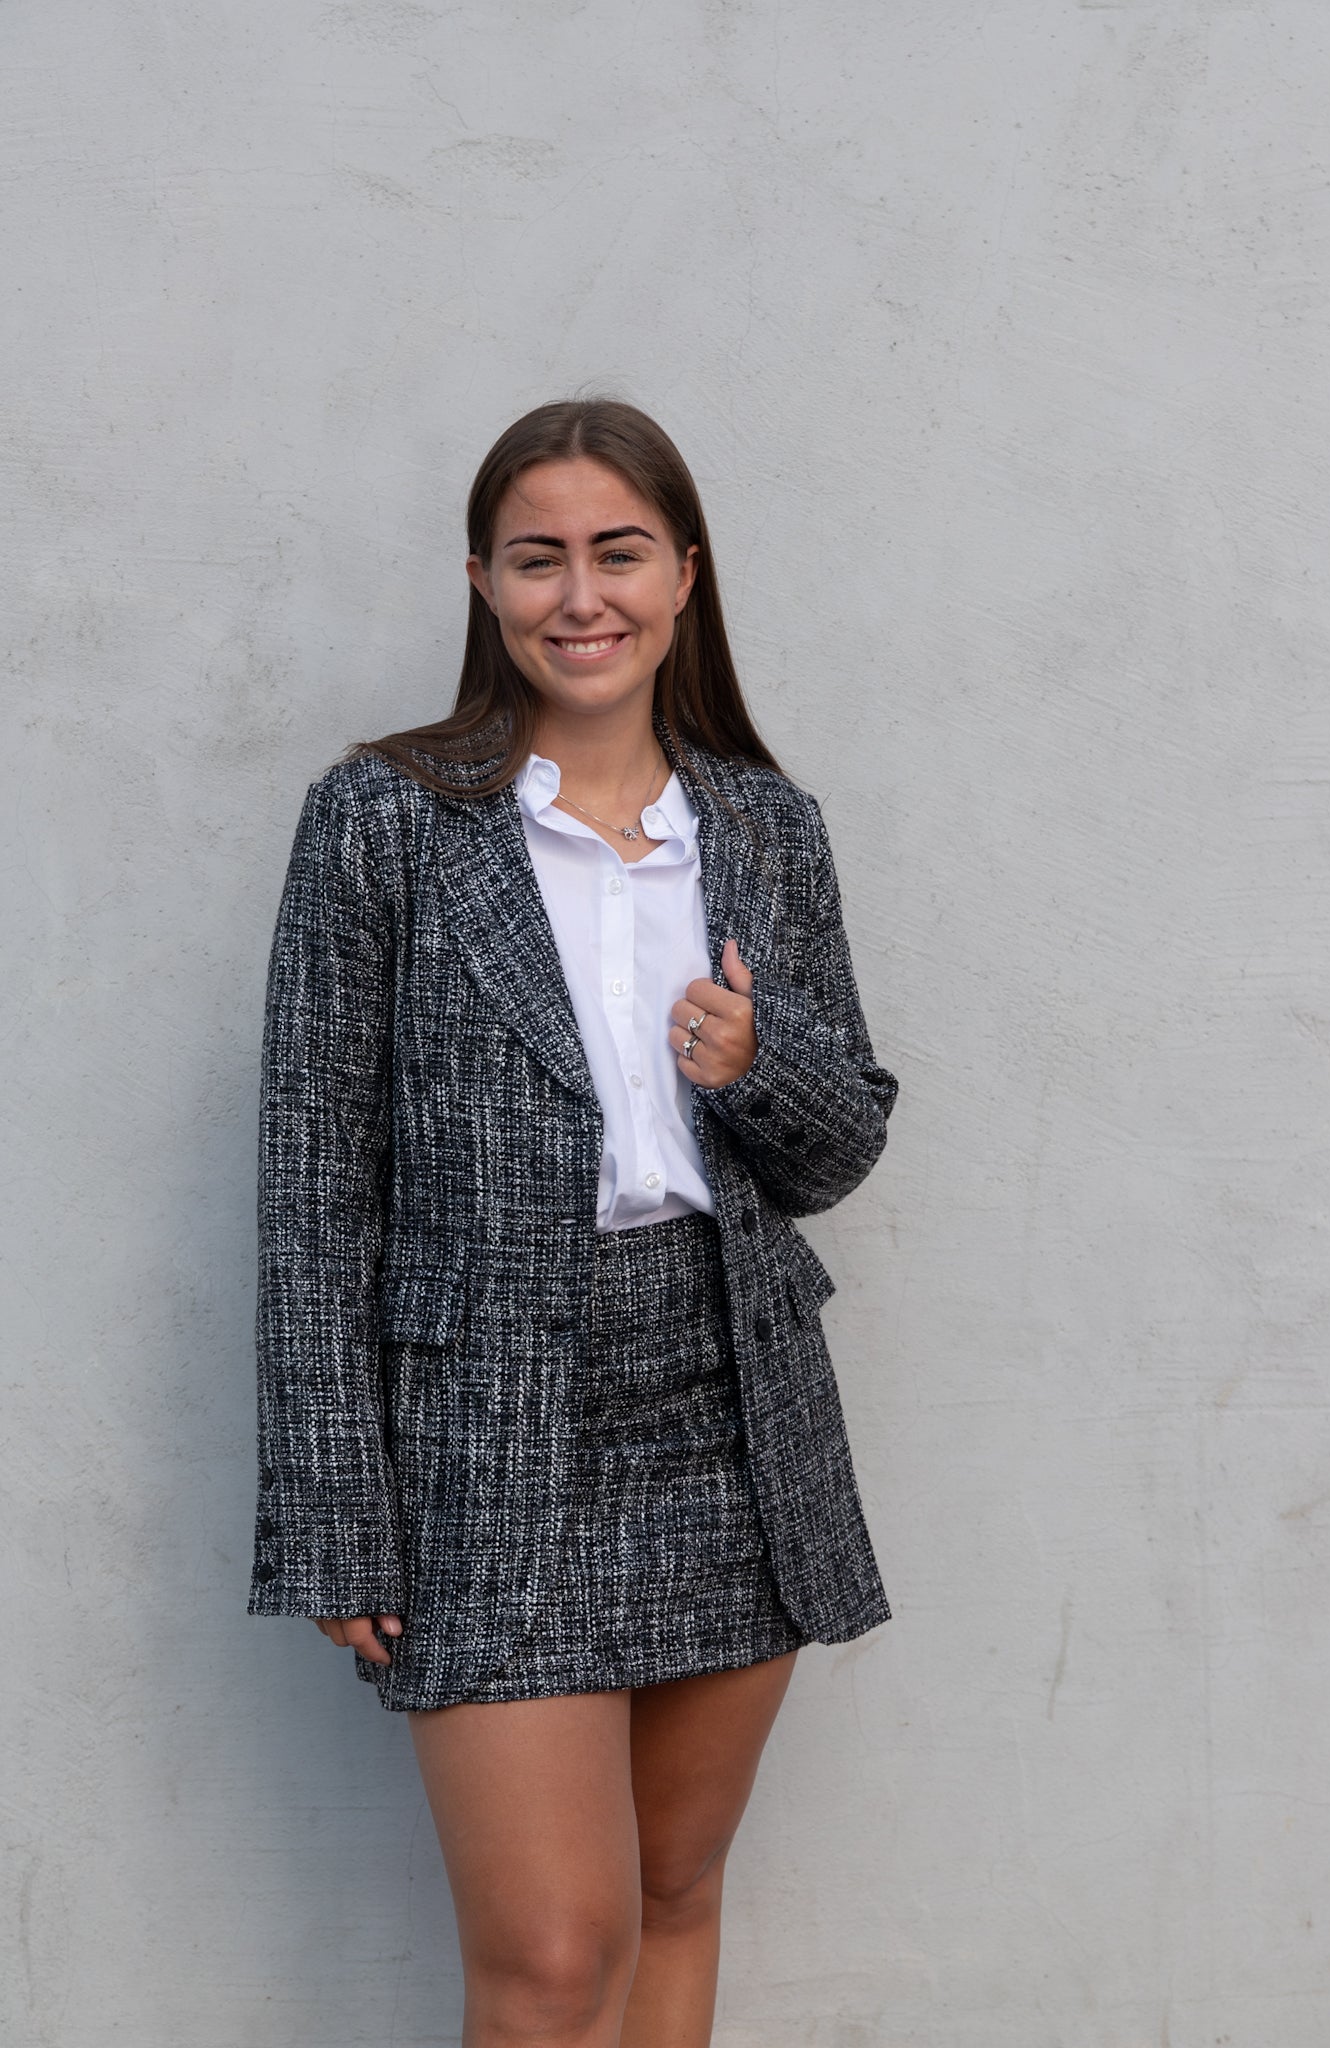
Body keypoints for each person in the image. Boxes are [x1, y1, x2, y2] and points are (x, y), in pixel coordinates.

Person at [247, 397, 900, 2047]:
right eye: (537, 559)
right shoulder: (382, 821)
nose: (580, 595)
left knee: (673, 1895)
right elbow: (314, 1182)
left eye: (618, 552)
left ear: (684, 573)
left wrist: (755, 1065)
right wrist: (333, 1509)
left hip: (727, 1410)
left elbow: (838, 1149)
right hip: (484, 1427)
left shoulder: (764, 828)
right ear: (483, 583)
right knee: (550, 1964)